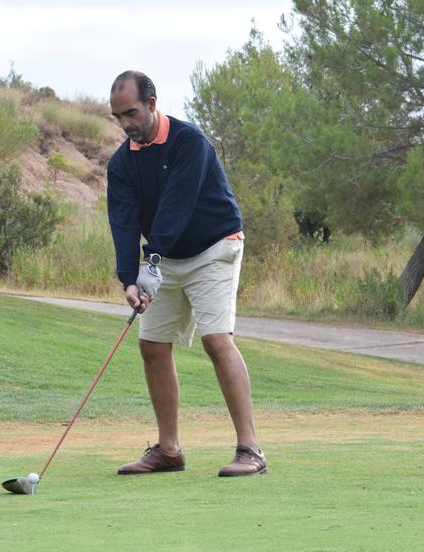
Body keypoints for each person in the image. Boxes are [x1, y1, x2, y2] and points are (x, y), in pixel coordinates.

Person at [106, 71, 266, 477]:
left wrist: (152, 262)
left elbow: (176, 207)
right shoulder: (122, 163)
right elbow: (123, 223)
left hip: (215, 246)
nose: (125, 123)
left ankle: (250, 450)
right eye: (117, 116)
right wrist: (129, 279)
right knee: (153, 345)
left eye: (131, 113)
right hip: (167, 256)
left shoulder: (189, 143)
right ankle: (169, 450)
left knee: (216, 339)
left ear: (152, 104)